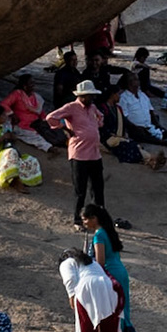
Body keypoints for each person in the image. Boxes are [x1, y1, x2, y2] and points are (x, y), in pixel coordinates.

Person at [83, 203, 144, 332]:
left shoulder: (99, 236)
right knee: (120, 315)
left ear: (94, 219)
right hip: (120, 273)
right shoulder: (108, 231)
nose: (84, 223)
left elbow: (100, 262)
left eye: (85, 219)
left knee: (108, 316)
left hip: (110, 277)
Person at [45, 80, 107, 230]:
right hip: (79, 154)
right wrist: (65, 129)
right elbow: (50, 117)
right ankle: (77, 220)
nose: (92, 98)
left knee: (98, 189)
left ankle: (98, 219)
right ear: (82, 96)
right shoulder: (71, 107)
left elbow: (101, 117)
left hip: (94, 153)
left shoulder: (92, 108)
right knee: (80, 190)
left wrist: (96, 125)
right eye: (90, 96)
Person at [112, 72, 167, 149]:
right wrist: (134, 127)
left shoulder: (143, 95)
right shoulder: (124, 98)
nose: (138, 81)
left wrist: (157, 124)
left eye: (138, 79)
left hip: (148, 125)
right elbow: (123, 117)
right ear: (129, 82)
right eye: (135, 79)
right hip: (134, 129)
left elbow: (151, 111)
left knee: (166, 132)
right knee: (146, 137)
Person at [0, 74, 56, 151]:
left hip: (36, 124)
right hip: (21, 124)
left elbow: (40, 111)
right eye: (31, 83)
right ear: (25, 86)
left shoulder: (36, 97)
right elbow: (3, 104)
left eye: (33, 83)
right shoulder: (17, 94)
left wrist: (46, 120)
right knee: (33, 136)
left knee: (51, 130)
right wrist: (12, 114)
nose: (33, 85)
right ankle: (48, 148)